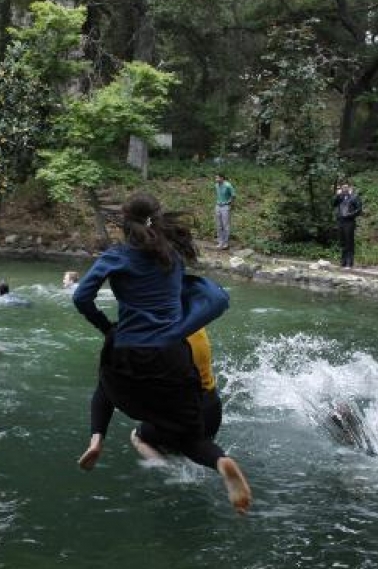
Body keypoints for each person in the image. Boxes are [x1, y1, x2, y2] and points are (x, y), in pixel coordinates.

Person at [72, 192, 251, 515]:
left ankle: (96, 439)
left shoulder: (117, 256)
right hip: (171, 354)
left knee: (105, 385)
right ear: (159, 219)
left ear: (125, 223)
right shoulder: (173, 257)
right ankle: (221, 461)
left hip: (126, 350)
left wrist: (106, 327)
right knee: (187, 438)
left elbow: (81, 297)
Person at [80, 327, 224, 469]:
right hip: (212, 411)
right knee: (194, 445)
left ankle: (171, 472)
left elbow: (105, 389)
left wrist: (96, 438)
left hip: (178, 420)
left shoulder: (141, 336)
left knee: (138, 436)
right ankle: (220, 461)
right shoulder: (196, 324)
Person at [332, 181, 363, 269]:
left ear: (350, 187)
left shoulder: (354, 197)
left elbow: (359, 210)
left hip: (349, 222)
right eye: (343, 187)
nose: (344, 189)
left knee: (349, 242)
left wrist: (350, 215)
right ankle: (343, 262)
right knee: (342, 242)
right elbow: (333, 204)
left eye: (346, 187)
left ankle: (349, 263)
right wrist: (337, 195)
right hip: (340, 222)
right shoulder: (340, 197)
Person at [213, 173, 235, 250]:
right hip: (218, 205)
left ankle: (226, 243)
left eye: (217, 178)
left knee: (225, 225)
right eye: (215, 178)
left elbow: (233, 195)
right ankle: (220, 242)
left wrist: (230, 205)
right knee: (219, 225)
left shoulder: (228, 185)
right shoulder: (216, 185)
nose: (216, 179)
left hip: (225, 206)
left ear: (222, 178)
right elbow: (218, 195)